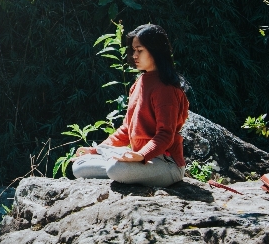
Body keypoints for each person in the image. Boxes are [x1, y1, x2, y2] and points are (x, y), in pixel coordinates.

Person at [71, 24, 190, 187]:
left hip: (166, 164)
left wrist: (141, 155)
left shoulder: (166, 89)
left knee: (116, 168)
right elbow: (126, 130)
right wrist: (97, 149)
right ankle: (122, 168)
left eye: (139, 50)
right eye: (133, 50)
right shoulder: (138, 83)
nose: (134, 55)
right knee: (80, 166)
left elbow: (165, 135)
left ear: (155, 51)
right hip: (139, 159)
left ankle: (124, 169)